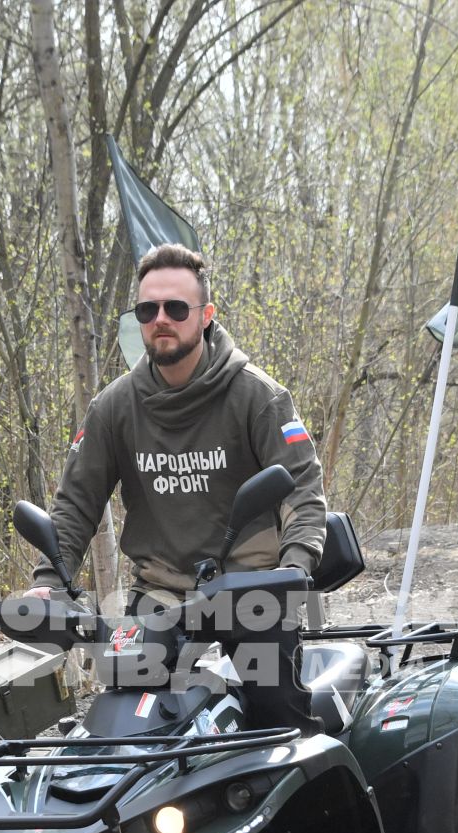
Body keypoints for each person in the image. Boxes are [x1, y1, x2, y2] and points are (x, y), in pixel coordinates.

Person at [27, 243, 326, 731]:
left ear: (206, 315)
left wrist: (293, 569)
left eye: (176, 308)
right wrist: (48, 581)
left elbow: (302, 491)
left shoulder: (258, 397)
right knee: (130, 726)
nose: (161, 319)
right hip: (161, 588)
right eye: (148, 309)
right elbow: (76, 504)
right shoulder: (113, 408)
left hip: (249, 585)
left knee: (279, 727)